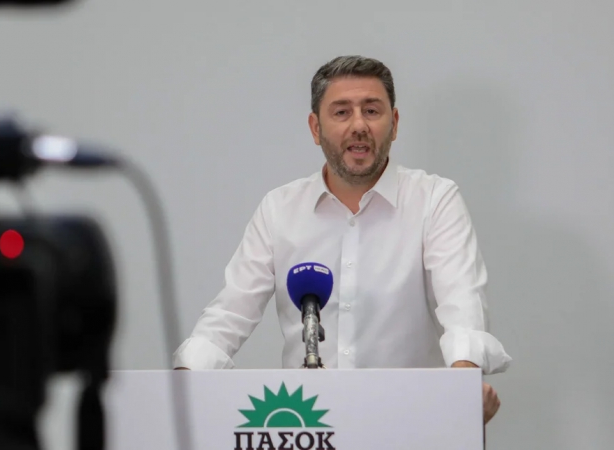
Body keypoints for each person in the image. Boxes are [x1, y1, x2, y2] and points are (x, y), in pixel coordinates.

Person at [172, 55, 512, 425]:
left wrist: (462, 386)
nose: (359, 125)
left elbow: (462, 306)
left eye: (372, 110)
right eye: (341, 112)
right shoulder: (280, 209)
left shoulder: (434, 199)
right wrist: (182, 383)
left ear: (394, 124)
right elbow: (230, 313)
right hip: (308, 428)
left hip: (409, 421)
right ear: (315, 128)